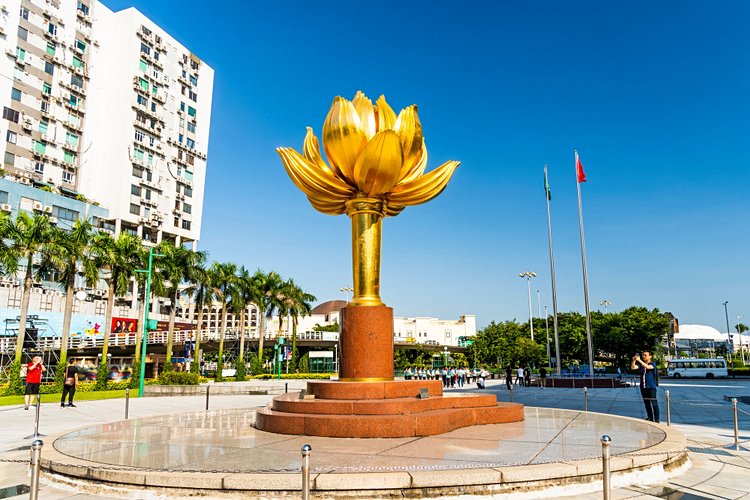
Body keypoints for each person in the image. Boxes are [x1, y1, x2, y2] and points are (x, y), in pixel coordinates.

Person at [632, 350, 660, 423]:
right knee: (646, 403)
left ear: (650, 356)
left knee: (654, 403)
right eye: (643, 355)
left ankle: (656, 419)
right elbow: (633, 367)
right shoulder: (641, 364)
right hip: (643, 387)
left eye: (645, 355)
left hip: (651, 387)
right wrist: (634, 361)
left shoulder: (652, 364)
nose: (644, 356)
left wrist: (640, 360)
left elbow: (648, 367)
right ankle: (650, 417)